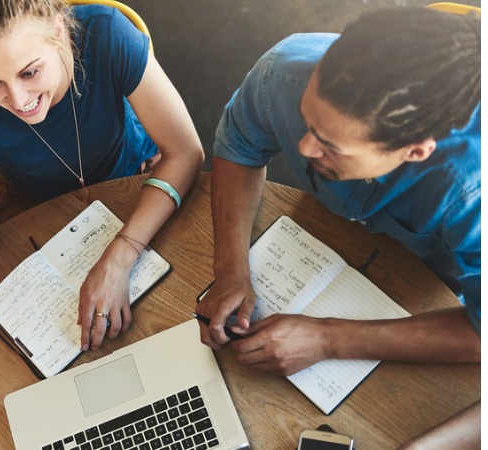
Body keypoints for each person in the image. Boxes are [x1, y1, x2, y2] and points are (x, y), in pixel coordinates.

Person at [0, 0, 203, 351]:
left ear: (58, 30)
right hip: (38, 202)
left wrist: (119, 258)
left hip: (135, 170)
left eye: (29, 73)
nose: (18, 100)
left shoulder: (107, 33)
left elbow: (186, 153)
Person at [197, 7, 480, 375]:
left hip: (430, 300)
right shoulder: (284, 71)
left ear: (415, 151)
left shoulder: (473, 196)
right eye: (307, 117)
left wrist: (327, 339)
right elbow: (240, 146)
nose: (303, 148)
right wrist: (231, 269)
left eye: (331, 146)